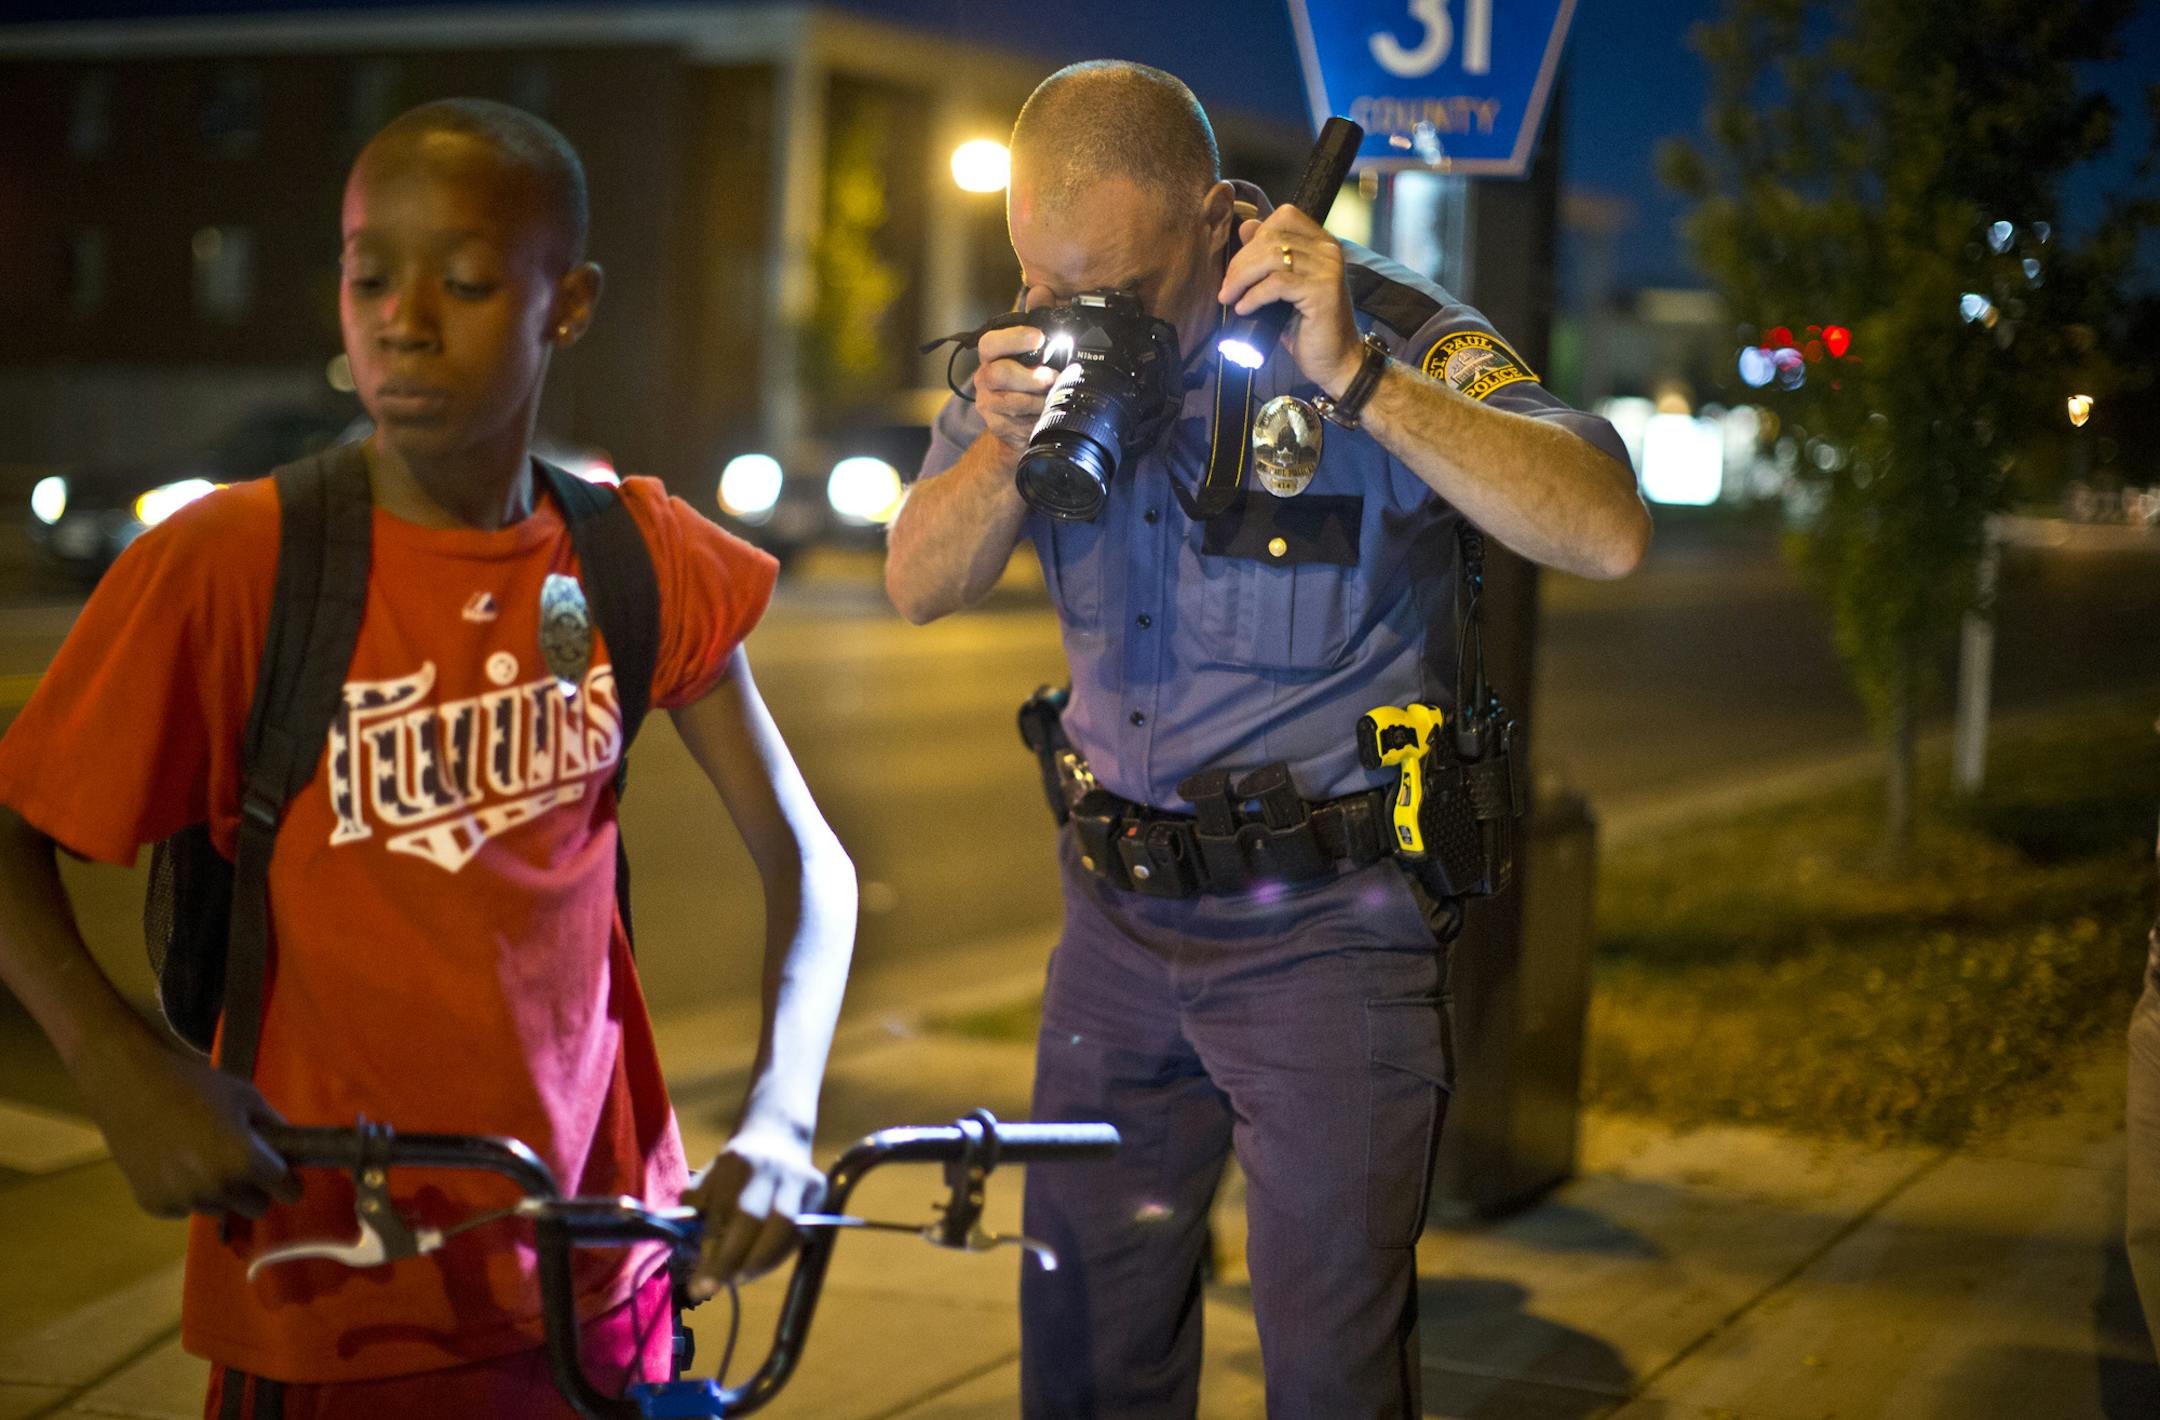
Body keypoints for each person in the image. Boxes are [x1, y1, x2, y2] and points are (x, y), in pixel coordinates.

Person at [0, 100, 855, 1416]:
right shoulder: (235, 563)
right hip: (335, 1280)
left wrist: (784, 1116)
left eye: (461, 282)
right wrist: (121, 1065)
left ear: (566, 304)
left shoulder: (634, 555)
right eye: (365, 275)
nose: (402, 318)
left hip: (603, 1266)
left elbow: (808, 858)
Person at [885, 62, 1648, 1419]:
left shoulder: (1366, 321)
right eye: (1040, 283)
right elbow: (917, 583)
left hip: (1325, 940)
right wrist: (1001, 445)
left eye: (1111, 288)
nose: (1071, 319)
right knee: (1083, 1353)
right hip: (1114, 931)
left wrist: (1361, 379)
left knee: (1329, 1371)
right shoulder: (1044, 341)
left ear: (1215, 214)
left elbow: (1604, 526)